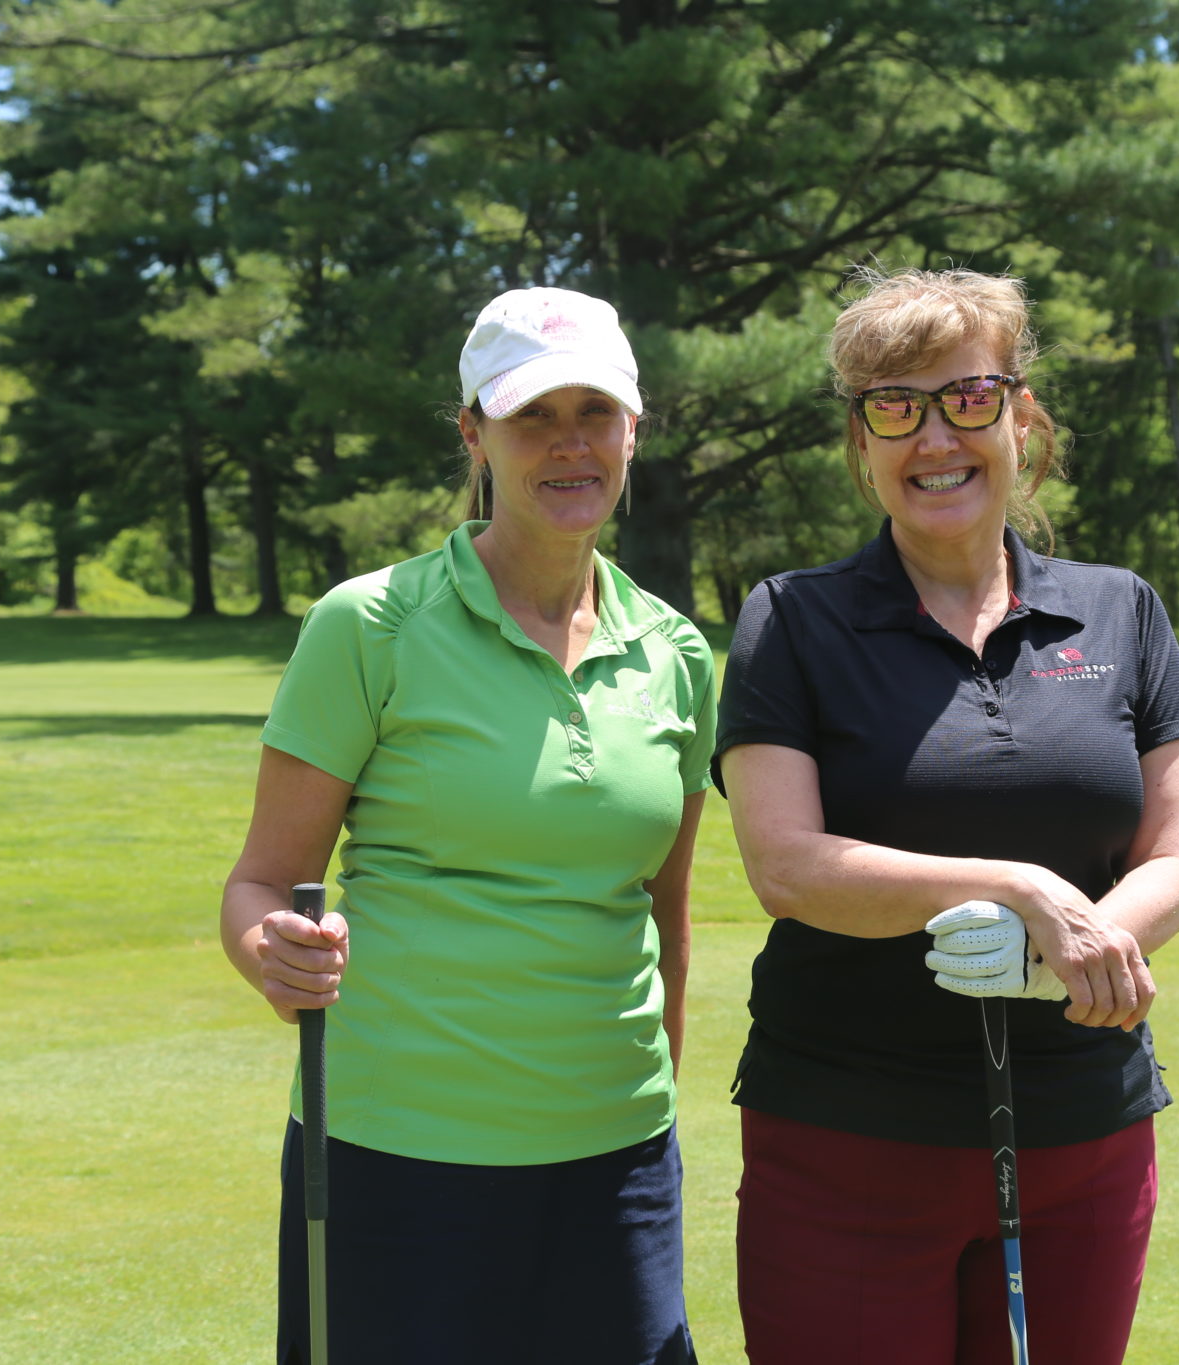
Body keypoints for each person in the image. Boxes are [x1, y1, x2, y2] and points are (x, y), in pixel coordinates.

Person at [714, 268, 1179, 1365]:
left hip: (1085, 1135)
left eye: (968, 398)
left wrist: (1080, 953)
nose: (934, 436)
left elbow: (1170, 853)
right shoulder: (790, 619)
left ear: (1021, 416)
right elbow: (785, 865)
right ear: (860, 441)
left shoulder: (1120, 608)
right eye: (895, 406)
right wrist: (1020, 890)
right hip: (843, 1140)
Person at [221, 286, 716, 1365]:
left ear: (635, 428)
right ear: (473, 433)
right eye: (532, 414)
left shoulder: (677, 652)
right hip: (393, 1155)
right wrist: (274, 952)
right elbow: (260, 884)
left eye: (594, 411)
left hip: (616, 1157)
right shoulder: (371, 624)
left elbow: (662, 923)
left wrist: (657, 1126)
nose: (568, 443)